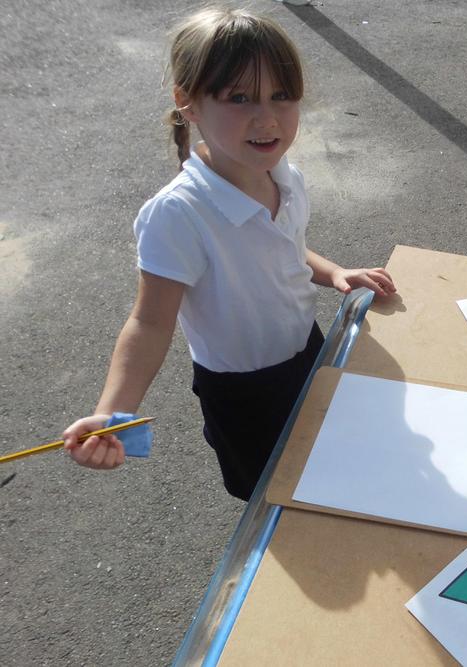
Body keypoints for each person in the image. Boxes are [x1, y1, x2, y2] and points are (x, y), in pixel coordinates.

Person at [61, 7, 396, 500]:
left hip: (307, 348)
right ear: (188, 103)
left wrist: (334, 272)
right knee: (273, 496)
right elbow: (149, 323)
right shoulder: (179, 214)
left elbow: (285, 248)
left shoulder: (284, 176)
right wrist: (113, 413)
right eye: (239, 98)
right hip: (245, 392)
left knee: (328, 464)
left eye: (281, 95)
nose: (267, 118)